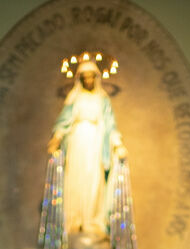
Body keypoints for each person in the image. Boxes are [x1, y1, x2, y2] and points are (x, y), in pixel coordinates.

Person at [46, 59, 128, 238]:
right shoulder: (74, 98)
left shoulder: (102, 99)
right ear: (81, 79)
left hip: (96, 141)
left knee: (94, 179)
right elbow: (64, 121)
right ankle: (74, 219)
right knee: (76, 177)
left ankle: (92, 220)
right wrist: (56, 139)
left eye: (91, 77)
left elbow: (110, 125)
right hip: (77, 140)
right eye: (85, 78)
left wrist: (118, 144)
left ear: (96, 78)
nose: (89, 80)